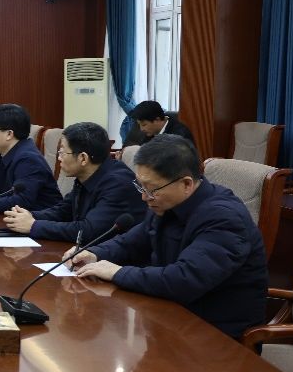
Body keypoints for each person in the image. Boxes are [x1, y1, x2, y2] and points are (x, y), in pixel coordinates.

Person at [67, 134, 267, 337]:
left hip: (215, 333)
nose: (144, 197)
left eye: (151, 189)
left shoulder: (224, 218)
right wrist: (95, 253)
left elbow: (184, 279)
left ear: (186, 184)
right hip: (171, 316)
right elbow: (132, 242)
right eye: (140, 186)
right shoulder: (166, 203)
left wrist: (118, 273)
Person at [3, 121, 147, 242]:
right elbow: (64, 211)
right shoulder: (87, 175)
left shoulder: (118, 183)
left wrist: (34, 225)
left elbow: (88, 231)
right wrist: (27, 216)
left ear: (83, 158)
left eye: (62, 152)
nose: (59, 158)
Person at [124, 100, 196, 150]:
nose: (141, 129)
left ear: (157, 119)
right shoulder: (151, 133)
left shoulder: (179, 134)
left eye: (144, 125)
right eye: (139, 124)